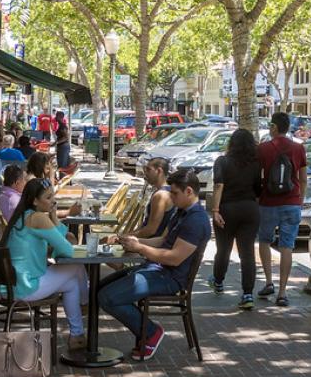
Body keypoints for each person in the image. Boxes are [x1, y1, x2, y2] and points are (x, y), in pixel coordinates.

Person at [98, 169, 212, 360]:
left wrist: (140, 248)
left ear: (189, 191)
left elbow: (174, 258)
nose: (171, 197)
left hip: (170, 278)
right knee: (100, 288)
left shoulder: (196, 221)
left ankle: (151, 332)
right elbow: (162, 241)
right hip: (156, 269)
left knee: (107, 297)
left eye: (174, 193)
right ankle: (144, 331)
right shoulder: (182, 212)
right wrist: (133, 242)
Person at [0, 178, 89, 350]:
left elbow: (61, 239)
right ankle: (86, 304)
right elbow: (67, 249)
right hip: (25, 287)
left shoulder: (23, 215)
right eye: (48, 197)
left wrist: (53, 216)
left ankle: (77, 335)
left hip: (13, 286)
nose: (53, 200)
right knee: (77, 266)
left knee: (71, 284)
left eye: (53, 196)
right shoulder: (37, 218)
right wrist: (54, 220)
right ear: (35, 201)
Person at [256, 112, 307, 307]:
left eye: (270, 125)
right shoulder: (298, 148)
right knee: (287, 246)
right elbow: (303, 179)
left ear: (275, 127)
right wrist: (299, 201)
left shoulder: (263, 149)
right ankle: (283, 292)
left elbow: (257, 175)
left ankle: (269, 282)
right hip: (291, 202)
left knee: (264, 241)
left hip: (268, 202)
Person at [209, 129, 262, 307]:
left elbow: (218, 185)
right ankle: (247, 294)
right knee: (247, 253)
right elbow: (258, 189)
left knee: (223, 248)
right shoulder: (256, 163)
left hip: (227, 209)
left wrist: (215, 210)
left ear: (231, 143)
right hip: (250, 209)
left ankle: (218, 281)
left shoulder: (222, 161)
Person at [126, 158, 175, 239]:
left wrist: (123, 238)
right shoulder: (167, 190)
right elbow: (146, 225)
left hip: (150, 243)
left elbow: (151, 230)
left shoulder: (160, 195)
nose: (145, 173)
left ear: (159, 171)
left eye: (148, 170)